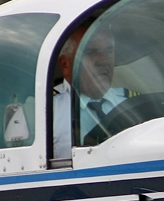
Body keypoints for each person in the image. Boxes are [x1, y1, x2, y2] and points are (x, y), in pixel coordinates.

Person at [52, 24, 130, 158]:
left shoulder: (132, 104)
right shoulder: (45, 112)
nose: (104, 60)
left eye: (109, 51)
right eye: (91, 53)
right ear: (66, 65)